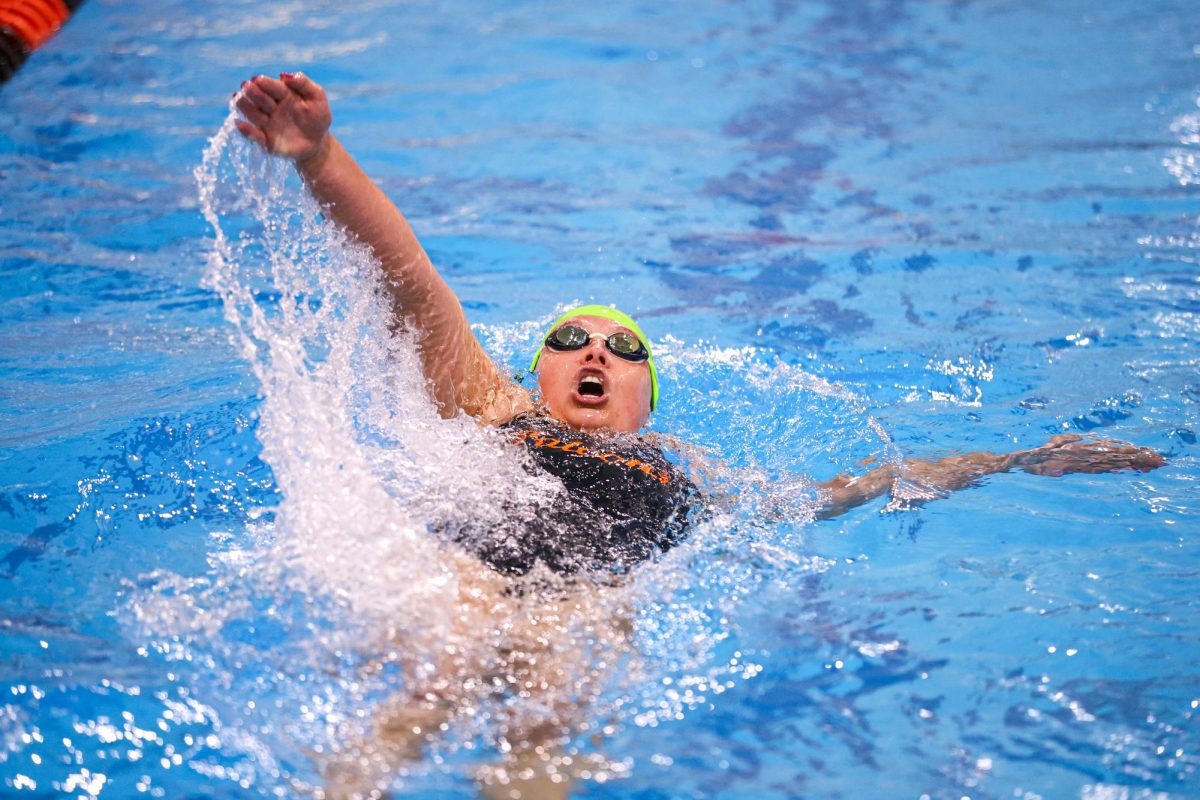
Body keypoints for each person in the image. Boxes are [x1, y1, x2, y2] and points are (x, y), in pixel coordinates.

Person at [231, 71, 1166, 796]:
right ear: (538, 372)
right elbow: (410, 279)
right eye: (570, 339)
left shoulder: (692, 472)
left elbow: (865, 485)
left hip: (588, 596)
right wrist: (322, 158)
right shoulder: (493, 407)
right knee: (434, 684)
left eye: (621, 346)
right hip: (465, 573)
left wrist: (1021, 460)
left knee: (549, 714)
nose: (594, 351)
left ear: (647, 395)